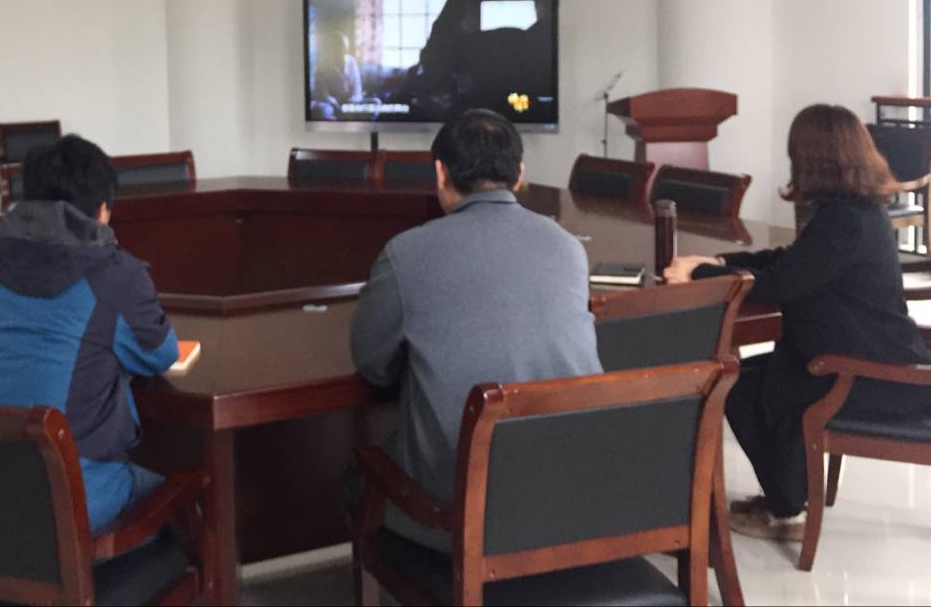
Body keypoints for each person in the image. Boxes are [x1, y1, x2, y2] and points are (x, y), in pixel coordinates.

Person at [664, 103, 931, 542]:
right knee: (743, 378)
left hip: (871, 375)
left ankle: (787, 510)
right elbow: (791, 261)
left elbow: (780, 284)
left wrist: (702, 274)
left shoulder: (846, 220)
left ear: (811, 159)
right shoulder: (853, 210)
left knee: (738, 386)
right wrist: (721, 262)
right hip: (860, 355)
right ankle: (784, 499)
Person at [349, 108, 602, 548]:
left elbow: (372, 365)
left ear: (440, 173)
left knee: (359, 473)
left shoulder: (407, 254)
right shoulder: (568, 249)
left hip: (458, 521)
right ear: (519, 174)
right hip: (568, 501)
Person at [0, 134, 179, 533]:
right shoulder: (115, 275)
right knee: (187, 497)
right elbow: (162, 354)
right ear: (103, 210)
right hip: (69, 501)